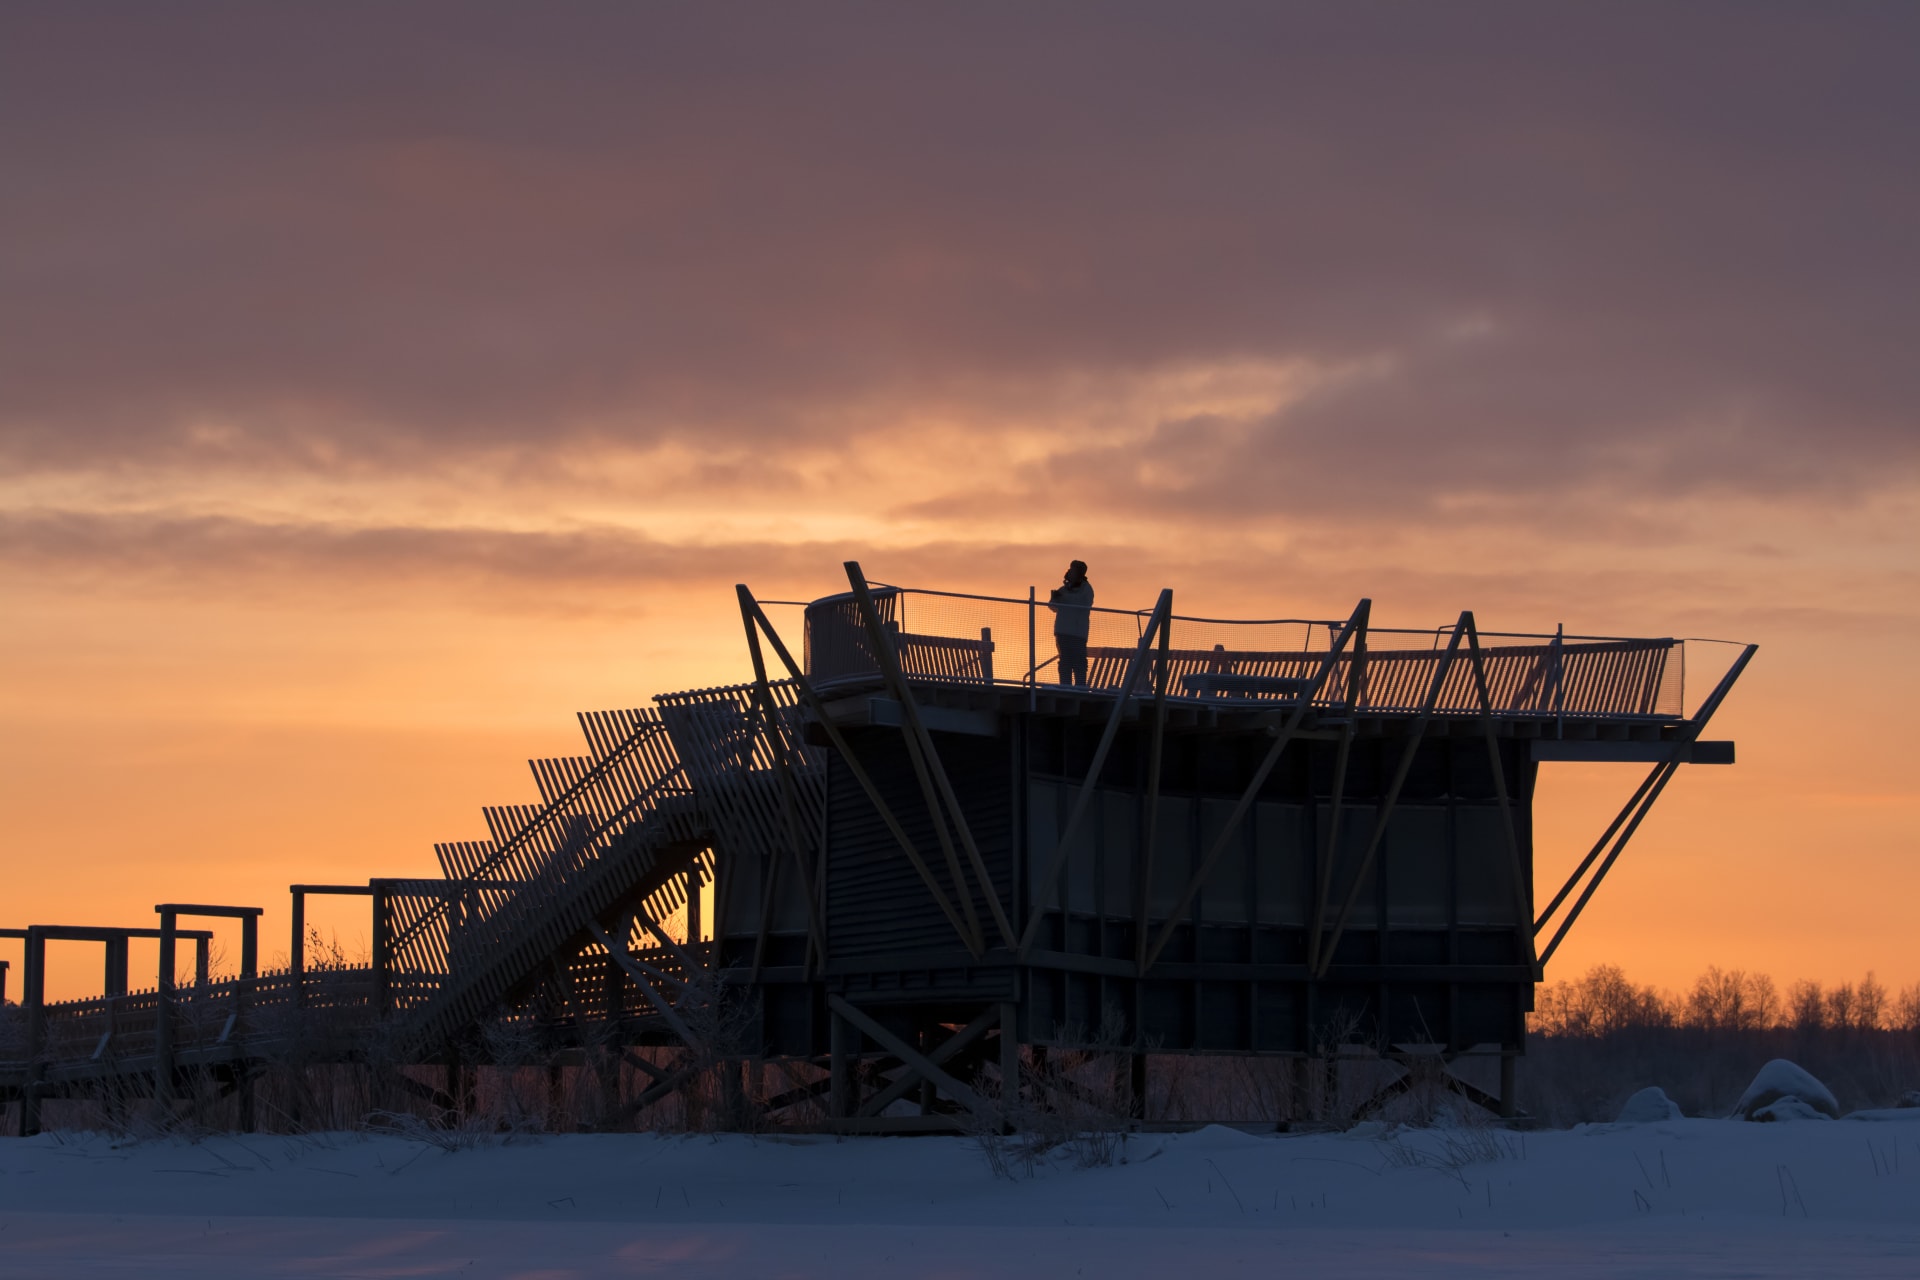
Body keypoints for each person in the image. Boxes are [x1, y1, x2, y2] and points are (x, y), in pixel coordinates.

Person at [1047, 560, 1094, 686]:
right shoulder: (1064, 589)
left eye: (1072, 570)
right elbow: (1052, 607)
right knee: (1065, 662)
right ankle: (1065, 686)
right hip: (1062, 632)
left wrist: (1063, 598)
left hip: (1078, 633)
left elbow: (1082, 603)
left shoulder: (1086, 589)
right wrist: (1055, 598)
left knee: (1079, 662)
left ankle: (1080, 687)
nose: (1069, 572)